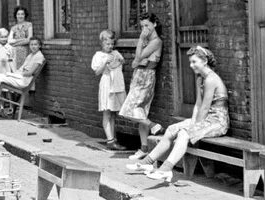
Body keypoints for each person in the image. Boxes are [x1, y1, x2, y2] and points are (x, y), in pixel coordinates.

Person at [126, 46, 229, 182]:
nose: (191, 66)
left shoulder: (211, 79)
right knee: (171, 129)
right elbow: (198, 104)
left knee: (184, 133)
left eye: (194, 62)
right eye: (190, 62)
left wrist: (194, 127)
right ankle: (147, 163)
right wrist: (193, 121)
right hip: (206, 119)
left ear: (204, 61)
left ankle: (166, 169)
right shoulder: (200, 78)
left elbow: (204, 108)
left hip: (217, 121)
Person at [120, 13, 164, 161]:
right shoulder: (147, 41)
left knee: (128, 109)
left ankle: (153, 125)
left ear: (154, 24)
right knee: (140, 112)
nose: (144, 29)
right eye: (142, 26)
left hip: (146, 77)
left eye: (147, 25)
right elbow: (136, 62)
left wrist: (140, 40)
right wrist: (138, 61)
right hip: (139, 75)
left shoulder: (156, 41)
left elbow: (138, 57)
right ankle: (144, 148)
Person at [0, 37, 45, 117]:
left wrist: (15, 74)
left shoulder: (39, 56)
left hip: (24, 81)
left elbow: (29, 73)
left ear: (39, 46)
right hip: (19, 77)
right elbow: (21, 69)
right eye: (31, 44)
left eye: (35, 44)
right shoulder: (30, 55)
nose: (33, 46)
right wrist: (14, 73)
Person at [91, 30, 126, 151]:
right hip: (106, 84)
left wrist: (119, 59)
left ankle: (113, 139)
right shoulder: (98, 55)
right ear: (102, 43)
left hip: (116, 84)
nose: (110, 46)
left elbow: (122, 62)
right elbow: (96, 72)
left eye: (112, 44)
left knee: (113, 113)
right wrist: (105, 62)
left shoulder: (115, 52)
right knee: (106, 112)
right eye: (107, 44)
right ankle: (110, 140)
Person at [7, 6, 33, 71]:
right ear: (16, 16)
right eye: (18, 14)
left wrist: (15, 42)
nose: (20, 16)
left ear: (25, 15)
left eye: (22, 14)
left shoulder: (29, 25)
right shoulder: (13, 28)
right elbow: (9, 41)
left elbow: (29, 39)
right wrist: (23, 39)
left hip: (26, 51)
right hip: (15, 53)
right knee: (16, 70)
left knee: (25, 69)